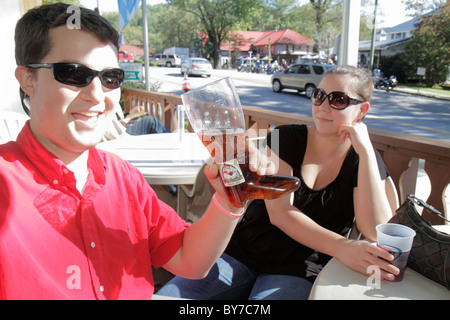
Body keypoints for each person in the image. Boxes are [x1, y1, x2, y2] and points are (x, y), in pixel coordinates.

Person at [0, 3, 274, 299]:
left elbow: (190, 260)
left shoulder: (122, 175)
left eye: (109, 78)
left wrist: (229, 200)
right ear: (29, 79)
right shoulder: (7, 186)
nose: (96, 95)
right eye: (74, 73)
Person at [158, 65, 399, 300]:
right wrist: (342, 247)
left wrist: (366, 152)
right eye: (318, 95)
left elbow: (375, 229)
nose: (324, 106)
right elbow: (281, 213)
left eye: (337, 100)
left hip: (300, 268)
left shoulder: (362, 159)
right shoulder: (286, 137)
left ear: (361, 110)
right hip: (245, 251)